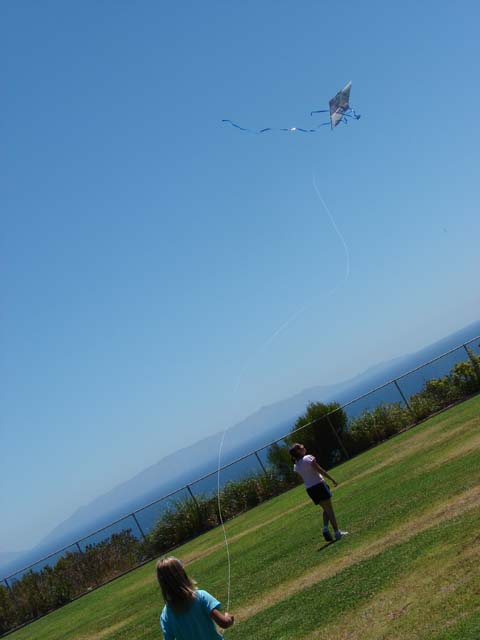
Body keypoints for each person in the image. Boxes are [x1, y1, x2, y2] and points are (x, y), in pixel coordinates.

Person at [156, 556, 234, 639]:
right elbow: (224, 623)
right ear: (183, 574)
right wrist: (229, 618)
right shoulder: (201, 596)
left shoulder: (165, 615)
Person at [289, 442, 348, 542]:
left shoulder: (296, 466)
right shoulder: (308, 458)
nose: (304, 446)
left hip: (310, 489)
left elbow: (303, 478)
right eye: (301, 446)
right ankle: (337, 533)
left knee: (326, 509)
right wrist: (331, 479)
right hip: (319, 485)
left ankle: (325, 528)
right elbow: (319, 470)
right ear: (298, 450)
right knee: (329, 509)